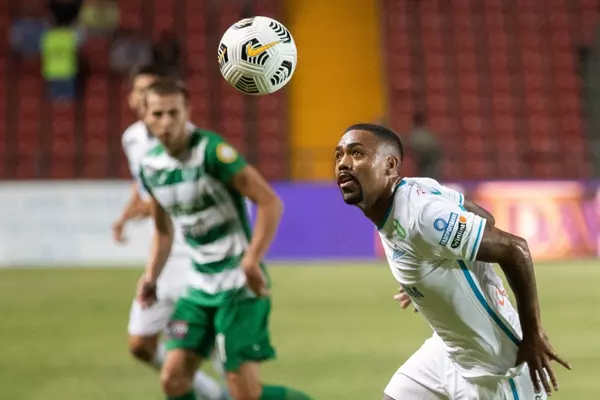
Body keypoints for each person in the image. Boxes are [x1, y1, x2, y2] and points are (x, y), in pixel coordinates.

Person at [334, 123, 571, 400]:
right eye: (339, 155)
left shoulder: (421, 216)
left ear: (390, 165)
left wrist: (533, 334)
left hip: (496, 368)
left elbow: (515, 250)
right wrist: (429, 279)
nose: (344, 163)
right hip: (448, 352)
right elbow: (485, 218)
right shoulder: (413, 190)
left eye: (357, 153)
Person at [136, 79, 312, 400]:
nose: (166, 122)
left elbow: (270, 202)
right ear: (145, 117)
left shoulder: (212, 152)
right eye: (158, 114)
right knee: (173, 379)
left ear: (187, 112)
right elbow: (163, 231)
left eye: (174, 113)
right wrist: (151, 277)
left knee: (245, 394)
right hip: (198, 287)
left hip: (238, 286)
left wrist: (252, 258)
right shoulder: (150, 167)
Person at [113, 66, 226, 400]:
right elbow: (143, 183)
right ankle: (214, 394)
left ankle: (235, 392)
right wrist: (126, 214)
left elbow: (179, 195)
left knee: (214, 344)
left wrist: (144, 209)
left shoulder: (190, 142)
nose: (147, 98)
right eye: (142, 91)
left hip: (194, 252)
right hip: (162, 253)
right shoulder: (132, 138)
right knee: (140, 344)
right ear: (135, 99)